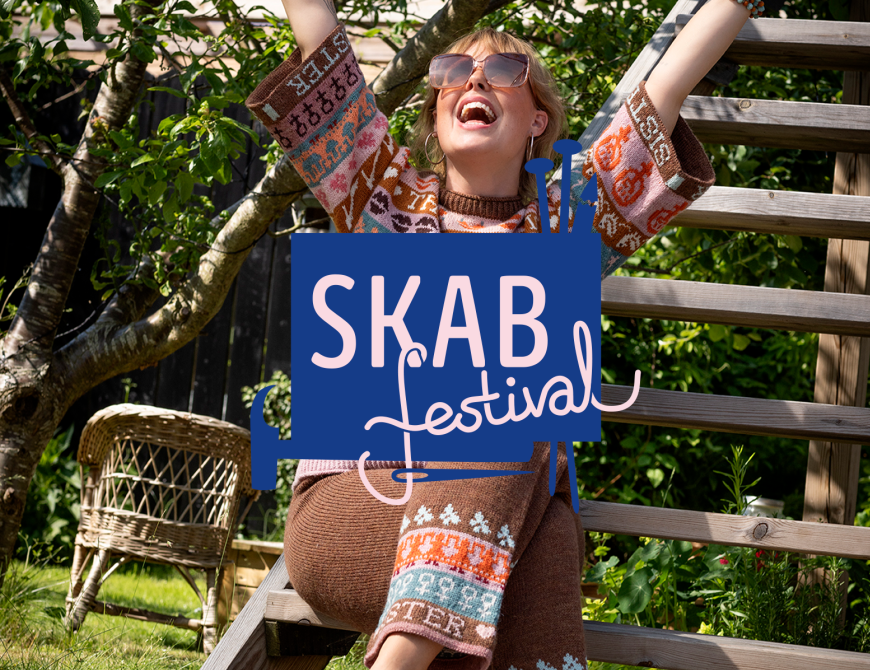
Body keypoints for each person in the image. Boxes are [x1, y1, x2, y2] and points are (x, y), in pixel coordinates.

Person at [245, 1, 759, 667]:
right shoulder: (380, 199)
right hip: (354, 511)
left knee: (548, 540)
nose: (474, 80)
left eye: (504, 71)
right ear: (434, 113)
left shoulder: (564, 226)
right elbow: (321, 43)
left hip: (500, 535)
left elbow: (664, 90)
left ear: (538, 120)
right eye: (453, 70)